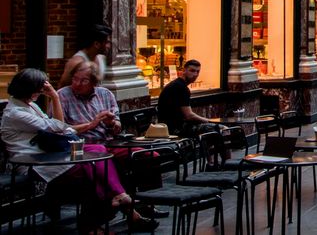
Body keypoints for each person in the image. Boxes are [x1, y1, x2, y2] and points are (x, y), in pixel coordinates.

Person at [1, 68, 156, 232]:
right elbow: (59, 127)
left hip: (53, 154)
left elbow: (63, 129)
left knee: (99, 152)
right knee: (94, 172)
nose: (41, 92)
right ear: (30, 89)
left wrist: (74, 128)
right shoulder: (15, 113)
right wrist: (55, 96)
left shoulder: (30, 106)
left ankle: (117, 203)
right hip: (35, 161)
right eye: (39, 89)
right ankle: (105, 217)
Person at [57, 62, 121, 143]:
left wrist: (111, 124)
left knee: (138, 151)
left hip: (108, 142)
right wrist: (90, 125)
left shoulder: (106, 94)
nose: (77, 84)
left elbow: (118, 127)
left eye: (84, 81)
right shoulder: (62, 96)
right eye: (75, 79)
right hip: (80, 145)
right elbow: (58, 130)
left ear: (94, 83)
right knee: (100, 150)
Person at [156, 59, 214, 135]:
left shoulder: (177, 84)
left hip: (169, 127)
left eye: (198, 71)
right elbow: (189, 116)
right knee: (216, 128)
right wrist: (209, 121)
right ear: (184, 70)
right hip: (174, 129)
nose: (195, 74)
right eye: (192, 71)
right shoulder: (181, 88)